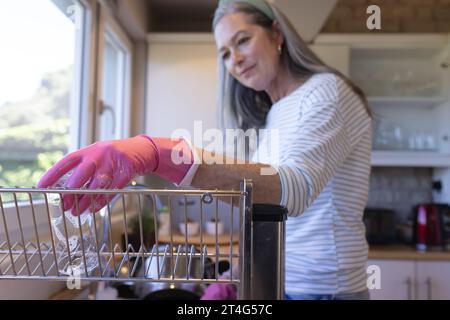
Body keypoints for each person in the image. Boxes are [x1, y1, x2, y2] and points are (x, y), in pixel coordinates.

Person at [38, 0, 372, 300]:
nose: (235, 59)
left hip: (327, 289)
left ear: (277, 32)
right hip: (281, 283)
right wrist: (236, 274)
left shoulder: (326, 92)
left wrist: (161, 154)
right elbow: (263, 209)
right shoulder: (278, 112)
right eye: (225, 53)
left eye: (242, 40)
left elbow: (293, 191)